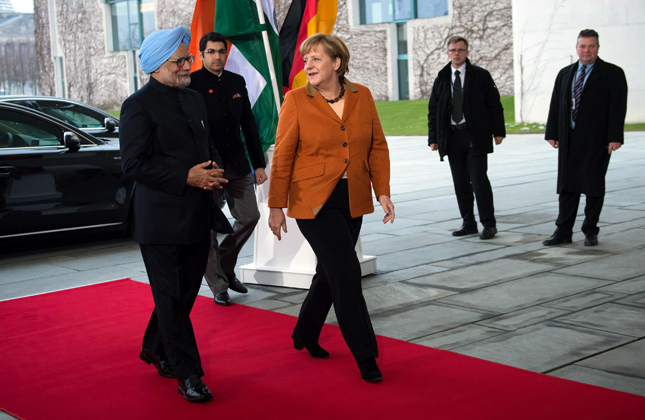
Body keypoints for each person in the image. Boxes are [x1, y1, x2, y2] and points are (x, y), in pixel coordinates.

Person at [267, 33, 394, 383]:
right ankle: (366, 356)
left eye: (316, 59)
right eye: (306, 59)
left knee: (330, 271)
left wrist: (382, 190)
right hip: (312, 200)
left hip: (352, 197)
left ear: (337, 63)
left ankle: (305, 332)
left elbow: (377, 147)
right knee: (347, 273)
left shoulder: (361, 96)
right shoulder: (295, 100)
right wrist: (275, 205)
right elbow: (283, 156)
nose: (307, 65)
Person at [119, 26, 232, 403]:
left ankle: (154, 346)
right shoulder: (137, 105)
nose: (189, 65)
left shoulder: (194, 98)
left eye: (188, 58)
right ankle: (189, 374)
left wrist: (214, 170)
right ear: (156, 65)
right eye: (181, 60)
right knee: (169, 299)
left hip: (197, 216)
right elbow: (133, 164)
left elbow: (206, 143)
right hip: (159, 222)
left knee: (181, 297)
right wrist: (186, 176)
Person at [188, 32, 268, 306]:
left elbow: (248, 123)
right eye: (211, 52)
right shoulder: (191, 84)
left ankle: (224, 266)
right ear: (201, 55)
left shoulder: (237, 81)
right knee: (209, 228)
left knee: (250, 216)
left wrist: (259, 163)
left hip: (237, 163)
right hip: (207, 166)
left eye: (221, 51)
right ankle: (219, 286)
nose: (217, 56)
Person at [543, 29, 628, 247]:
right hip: (568, 138)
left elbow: (617, 108)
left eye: (591, 46)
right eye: (583, 46)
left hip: (596, 139)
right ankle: (563, 230)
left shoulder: (612, 73)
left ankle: (590, 230)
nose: (587, 50)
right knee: (567, 186)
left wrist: (614, 137)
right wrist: (552, 133)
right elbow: (556, 104)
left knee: (593, 185)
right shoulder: (565, 73)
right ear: (576, 48)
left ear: (598, 48)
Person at [427, 36, 505, 240]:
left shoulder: (480, 75)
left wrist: (498, 132)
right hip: (452, 138)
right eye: (453, 50)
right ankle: (468, 222)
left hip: (475, 136)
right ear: (447, 53)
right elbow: (433, 110)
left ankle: (489, 224)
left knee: (479, 181)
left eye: (461, 50)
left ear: (467, 53)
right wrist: (433, 138)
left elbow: (494, 105)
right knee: (460, 183)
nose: (457, 54)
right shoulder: (442, 78)